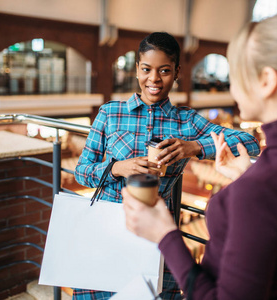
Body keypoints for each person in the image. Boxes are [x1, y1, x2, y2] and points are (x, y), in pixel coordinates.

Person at [123, 12, 277, 300]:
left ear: (267, 81)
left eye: (237, 75)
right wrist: (248, 175)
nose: (231, 88)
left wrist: (165, 234)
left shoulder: (260, 192)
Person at [74, 32, 260, 299]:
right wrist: (117, 168)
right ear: (137, 69)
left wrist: (194, 147)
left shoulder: (186, 121)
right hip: (109, 228)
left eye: (164, 70)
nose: (154, 79)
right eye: (147, 69)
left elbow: (249, 142)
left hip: (157, 235)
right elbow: (82, 171)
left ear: (176, 73)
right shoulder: (109, 113)